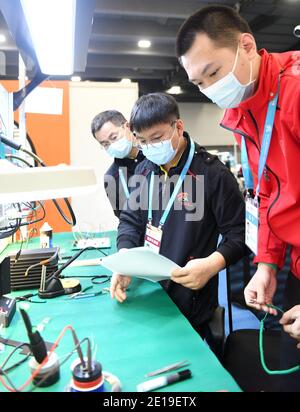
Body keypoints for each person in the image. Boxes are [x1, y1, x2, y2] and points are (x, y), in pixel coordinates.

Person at [176, 4, 300, 390]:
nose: (210, 88)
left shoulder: (294, 90)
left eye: (213, 72)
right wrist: (266, 264)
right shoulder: (244, 111)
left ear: (247, 45)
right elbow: (268, 195)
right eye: (199, 83)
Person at [110, 92, 246, 351]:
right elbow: (130, 221)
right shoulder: (144, 169)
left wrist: (212, 264)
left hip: (190, 295)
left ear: (178, 127)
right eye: (143, 141)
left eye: (157, 138)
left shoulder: (212, 174)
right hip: (149, 289)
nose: (150, 147)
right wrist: (124, 259)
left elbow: (239, 234)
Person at [91, 110, 144, 218]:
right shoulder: (111, 178)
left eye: (114, 137)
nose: (112, 145)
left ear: (127, 126)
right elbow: (123, 218)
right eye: (105, 144)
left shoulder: (155, 158)